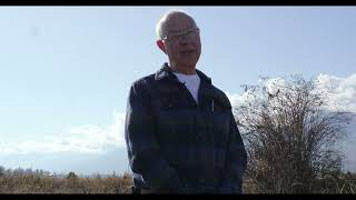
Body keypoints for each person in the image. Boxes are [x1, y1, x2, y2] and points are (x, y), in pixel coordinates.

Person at [124, 10, 247, 194]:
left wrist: (228, 189)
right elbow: (143, 155)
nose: (187, 40)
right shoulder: (144, 91)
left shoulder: (217, 97)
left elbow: (236, 153)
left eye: (191, 33)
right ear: (161, 46)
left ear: (199, 36)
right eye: (176, 36)